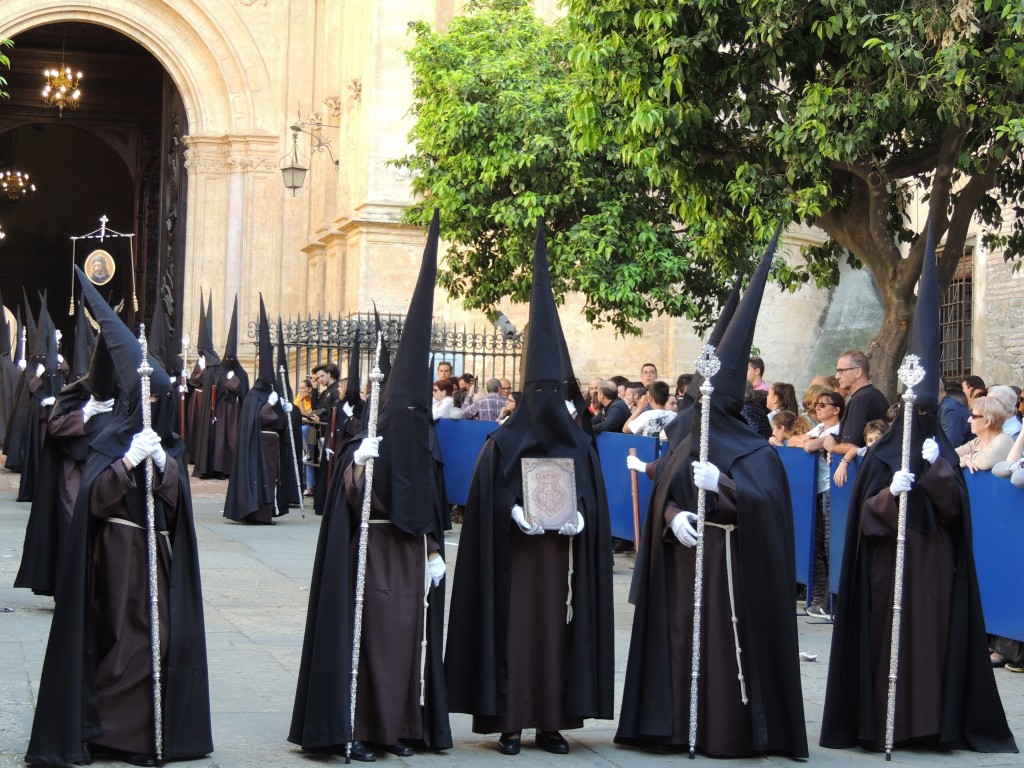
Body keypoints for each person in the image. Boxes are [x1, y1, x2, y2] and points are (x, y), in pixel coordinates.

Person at [820, 225, 1016, 755]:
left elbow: (956, 510)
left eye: (930, 411)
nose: (924, 419)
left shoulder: (942, 451)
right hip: (888, 573)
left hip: (933, 572)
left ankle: (931, 725)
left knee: (931, 649)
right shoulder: (882, 455)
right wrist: (890, 493)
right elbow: (865, 517)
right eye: (917, 411)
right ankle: (886, 723)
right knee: (889, 646)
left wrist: (934, 474)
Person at [616, 225, 807, 758]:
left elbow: (767, 506)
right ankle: (675, 727)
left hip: (731, 569)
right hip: (682, 566)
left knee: (726, 646)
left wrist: (722, 486)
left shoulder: (757, 451)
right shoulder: (685, 439)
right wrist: (673, 513)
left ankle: (726, 728)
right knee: (678, 641)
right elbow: (663, 491)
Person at [26, 267, 212, 767]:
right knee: (123, 643)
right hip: (115, 556)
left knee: (161, 637)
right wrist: (128, 463)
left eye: (158, 399)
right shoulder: (112, 438)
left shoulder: (166, 443)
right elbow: (95, 496)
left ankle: (149, 733)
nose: (153, 406)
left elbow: (178, 504)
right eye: (146, 398)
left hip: (157, 555)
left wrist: (162, 467)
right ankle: (113, 733)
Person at [445, 221, 614, 757]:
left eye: (551, 389)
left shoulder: (579, 446)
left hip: (560, 558)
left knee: (556, 634)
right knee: (515, 636)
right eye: (536, 389)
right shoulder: (500, 443)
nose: (544, 399)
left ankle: (552, 722)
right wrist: (512, 510)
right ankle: (512, 722)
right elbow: (485, 495)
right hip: (514, 563)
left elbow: (590, 496)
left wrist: (581, 517)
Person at [290, 210, 452, 761]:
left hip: (408, 556)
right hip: (370, 550)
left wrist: (434, 550)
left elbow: (432, 502)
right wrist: (357, 462)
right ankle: (355, 727)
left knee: (405, 644)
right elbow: (348, 497)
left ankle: (398, 728)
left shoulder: (424, 443)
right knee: (366, 641)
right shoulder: (368, 439)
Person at [223, 297, 293, 525]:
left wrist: (285, 408)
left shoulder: (269, 393)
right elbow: (259, 418)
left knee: (270, 479)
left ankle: (267, 511)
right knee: (260, 478)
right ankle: (256, 513)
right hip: (259, 445)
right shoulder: (254, 396)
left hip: (271, 444)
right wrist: (269, 406)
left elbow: (281, 422)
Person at [823, 349, 890, 460]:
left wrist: (832, 447)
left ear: (858, 372)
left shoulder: (861, 400)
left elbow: (850, 446)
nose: (837, 376)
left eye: (841, 371)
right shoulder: (873, 395)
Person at [955, 395, 1014, 473]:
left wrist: (969, 457)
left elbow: (986, 461)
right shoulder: (978, 441)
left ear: (987, 422)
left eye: (973, 416)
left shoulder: (1004, 440)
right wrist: (965, 460)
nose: (969, 420)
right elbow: (949, 455)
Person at [832, 419, 887, 488]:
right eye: (870, 440)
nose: (874, 443)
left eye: (877, 438)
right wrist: (843, 464)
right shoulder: (866, 451)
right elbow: (854, 449)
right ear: (866, 443)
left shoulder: (889, 452)